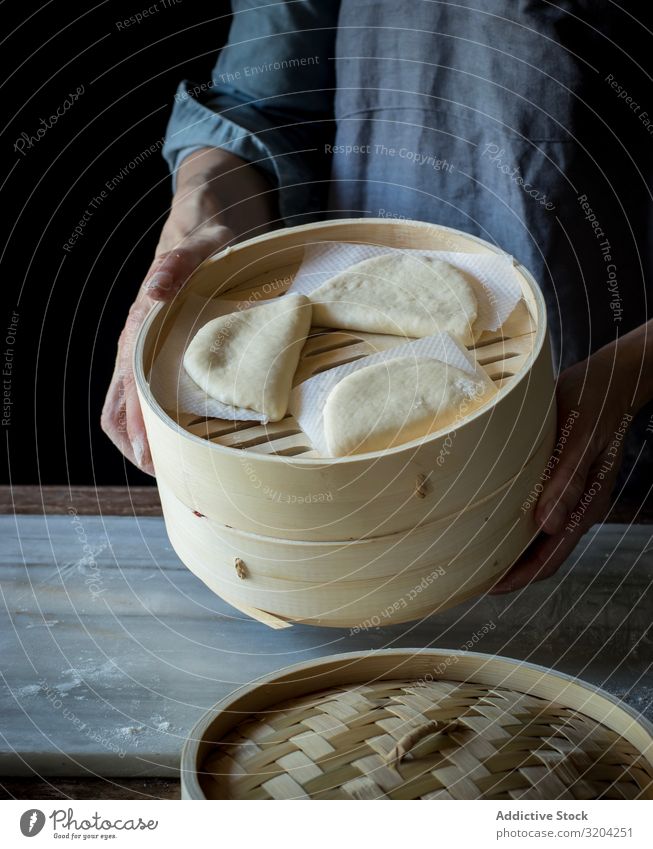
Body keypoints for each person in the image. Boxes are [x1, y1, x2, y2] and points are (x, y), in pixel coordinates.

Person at [102, 1, 653, 593]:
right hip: (351, 355)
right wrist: (200, 224)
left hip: (614, 396)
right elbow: (259, 104)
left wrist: (632, 372)